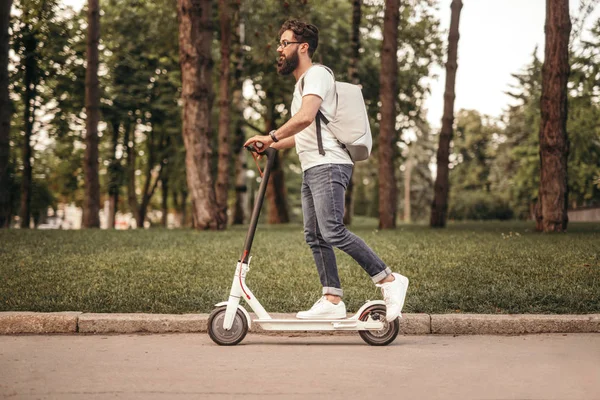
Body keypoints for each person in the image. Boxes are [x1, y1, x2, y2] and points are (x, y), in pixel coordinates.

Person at [244, 19, 409, 322]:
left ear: (302, 47)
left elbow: (305, 117)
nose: (279, 49)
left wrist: (271, 136)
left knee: (332, 229)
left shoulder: (316, 74)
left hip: (329, 164)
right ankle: (332, 298)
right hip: (313, 167)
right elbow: (303, 132)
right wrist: (270, 144)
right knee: (315, 234)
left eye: (284, 43)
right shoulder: (302, 84)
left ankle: (388, 280)